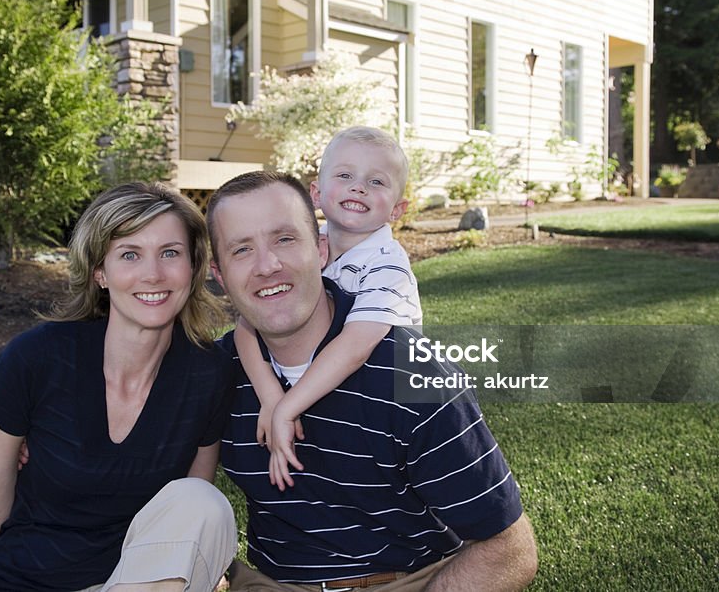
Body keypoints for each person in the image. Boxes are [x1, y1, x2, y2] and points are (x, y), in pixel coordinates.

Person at [207, 171, 537, 590]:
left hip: (404, 581)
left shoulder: (409, 373)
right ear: (219, 274)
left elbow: (509, 547)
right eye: (242, 250)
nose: (267, 266)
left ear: (321, 249)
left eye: (285, 240)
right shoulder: (215, 374)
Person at [0, 182, 237, 592]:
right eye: (130, 254)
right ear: (99, 272)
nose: (153, 274)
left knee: (202, 502)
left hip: (126, 583)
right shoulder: (36, 359)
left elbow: (183, 524)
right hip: (20, 580)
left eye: (170, 253)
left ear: (193, 266)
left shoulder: (207, 372)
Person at [233, 126, 422, 488]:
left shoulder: (388, 265)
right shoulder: (306, 247)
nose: (359, 187)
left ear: (397, 209)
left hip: (382, 400)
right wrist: (271, 397)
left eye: (377, 182)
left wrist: (288, 408)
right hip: (318, 389)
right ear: (316, 195)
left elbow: (355, 347)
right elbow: (246, 325)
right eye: (345, 175)